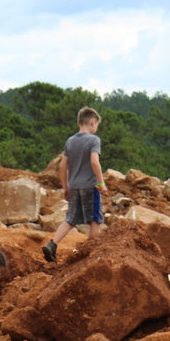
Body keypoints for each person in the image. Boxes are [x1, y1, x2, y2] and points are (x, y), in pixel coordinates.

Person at [41, 106, 108, 263]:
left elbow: (63, 165)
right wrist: (101, 183)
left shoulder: (70, 141)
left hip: (74, 186)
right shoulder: (94, 140)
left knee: (71, 219)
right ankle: (90, 255)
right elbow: (94, 161)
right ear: (92, 122)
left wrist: (66, 187)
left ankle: (52, 245)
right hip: (90, 186)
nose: (96, 128)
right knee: (95, 220)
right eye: (97, 125)